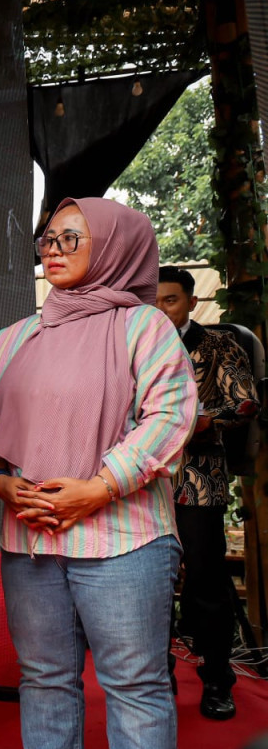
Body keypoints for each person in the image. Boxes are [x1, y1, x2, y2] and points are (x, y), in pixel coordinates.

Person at [0, 198, 196, 749]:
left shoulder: (142, 326)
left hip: (123, 541)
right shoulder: (13, 336)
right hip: (30, 539)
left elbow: (170, 414)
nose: (52, 248)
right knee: (45, 680)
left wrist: (98, 488)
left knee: (133, 686)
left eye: (71, 239)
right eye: (48, 238)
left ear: (115, 246)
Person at [156, 265, 258, 720]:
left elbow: (245, 400)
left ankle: (218, 680)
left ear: (191, 302)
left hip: (199, 479)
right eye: (151, 300)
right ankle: (158, 679)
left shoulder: (220, 344)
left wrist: (209, 421)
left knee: (206, 584)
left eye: (169, 300)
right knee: (148, 583)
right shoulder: (134, 345)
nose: (159, 309)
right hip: (144, 483)